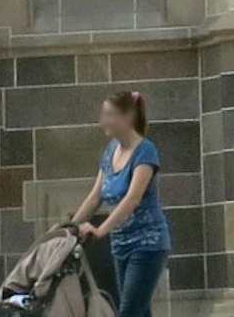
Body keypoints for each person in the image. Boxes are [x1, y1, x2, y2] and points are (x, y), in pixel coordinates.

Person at [74, 90, 170, 317]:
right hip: (121, 245)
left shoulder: (145, 151)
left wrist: (100, 230)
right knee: (139, 311)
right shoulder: (110, 152)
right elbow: (95, 197)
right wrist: (68, 227)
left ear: (127, 117)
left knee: (129, 312)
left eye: (109, 115)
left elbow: (132, 199)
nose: (103, 121)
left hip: (147, 245)